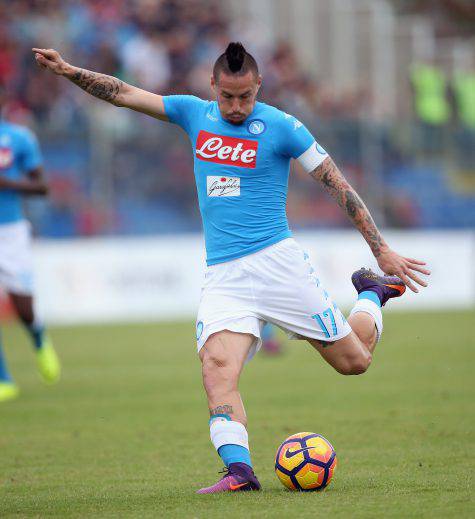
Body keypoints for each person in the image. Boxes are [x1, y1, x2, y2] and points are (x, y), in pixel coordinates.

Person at [33, 42, 430, 492]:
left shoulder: (283, 127)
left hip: (278, 265)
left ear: (258, 86)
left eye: (246, 96)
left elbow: (338, 186)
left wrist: (380, 250)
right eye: (228, 97)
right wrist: (68, 71)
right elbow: (123, 92)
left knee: (354, 362)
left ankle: (371, 293)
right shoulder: (192, 113)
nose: (237, 107)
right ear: (213, 88)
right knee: (216, 366)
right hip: (224, 276)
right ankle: (240, 472)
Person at [0, 86, 61, 403]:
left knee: (23, 307)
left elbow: (42, 186)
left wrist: (8, 183)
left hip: (9, 231)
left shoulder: (17, 138)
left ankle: (38, 338)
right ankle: (4, 379)